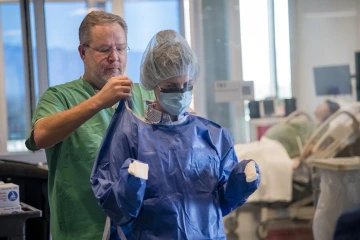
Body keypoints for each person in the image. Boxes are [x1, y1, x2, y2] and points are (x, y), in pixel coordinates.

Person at [91, 30, 260, 240]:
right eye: (171, 87)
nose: (180, 93)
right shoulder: (131, 134)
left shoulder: (213, 136)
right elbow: (116, 207)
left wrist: (241, 182)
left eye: (187, 86)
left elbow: (222, 202)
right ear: (154, 85)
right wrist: (130, 184)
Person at [25, 11, 154, 240]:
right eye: (104, 50)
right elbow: (40, 136)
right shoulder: (59, 97)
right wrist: (98, 101)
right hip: (83, 230)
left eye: (121, 48)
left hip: (140, 230)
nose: (115, 57)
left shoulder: (145, 96)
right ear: (83, 52)